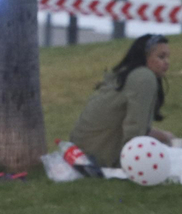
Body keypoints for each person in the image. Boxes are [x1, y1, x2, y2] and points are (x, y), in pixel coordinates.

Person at [70, 34, 175, 167]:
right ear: (144, 56)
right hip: (99, 157)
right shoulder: (144, 77)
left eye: (167, 57)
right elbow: (134, 129)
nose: (167, 62)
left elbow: (131, 125)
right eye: (161, 57)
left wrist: (163, 136)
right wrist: (132, 163)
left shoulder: (128, 73)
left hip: (80, 152)